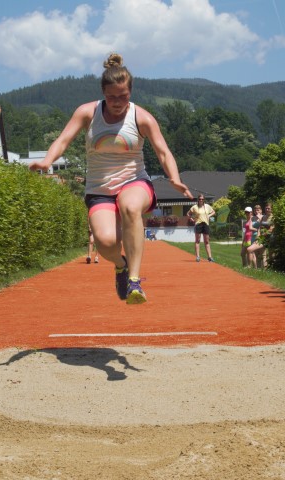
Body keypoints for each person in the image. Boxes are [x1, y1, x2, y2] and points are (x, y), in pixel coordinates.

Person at [28, 53, 192, 304]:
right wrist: (47, 161)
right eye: (112, 97)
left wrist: (174, 178)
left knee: (130, 206)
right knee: (105, 243)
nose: (117, 102)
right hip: (100, 189)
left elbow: (163, 151)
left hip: (134, 181)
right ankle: (121, 265)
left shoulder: (142, 117)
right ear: (103, 93)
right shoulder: (87, 112)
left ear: (130, 92)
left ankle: (134, 281)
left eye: (123, 96)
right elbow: (62, 140)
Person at [187, 195, 216, 262]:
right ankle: (198, 257)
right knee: (197, 240)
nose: (201, 200)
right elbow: (188, 214)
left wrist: (209, 215)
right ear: (198, 199)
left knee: (207, 241)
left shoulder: (207, 206)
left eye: (202, 199)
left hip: (206, 224)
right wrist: (191, 219)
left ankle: (209, 257)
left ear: (204, 200)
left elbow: (213, 212)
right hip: (198, 224)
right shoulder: (194, 207)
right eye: (200, 199)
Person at [247, 203, 274, 268]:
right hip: (262, 239)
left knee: (271, 256)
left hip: (271, 239)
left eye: (269, 208)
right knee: (251, 250)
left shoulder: (273, 217)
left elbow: (271, 229)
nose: (267, 210)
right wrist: (258, 237)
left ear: (272, 209)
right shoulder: (263, 217)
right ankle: (258, 269)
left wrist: (263, 234)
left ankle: (268, 269)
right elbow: (260, 228)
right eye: (266, 208)